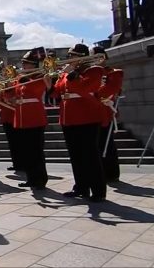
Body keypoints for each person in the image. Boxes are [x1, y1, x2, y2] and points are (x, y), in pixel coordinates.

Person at [46, 44, 106, 202]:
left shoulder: (94, 70)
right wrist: (48, 83)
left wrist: (72, 74)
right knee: (76, 156)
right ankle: (81, 187)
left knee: (90, 155)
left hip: (87, 117)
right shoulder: (67, 74)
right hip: (69, 117)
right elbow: (56, 92)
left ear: (81, 57)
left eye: (73, 56)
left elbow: (83, 90)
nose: (70, 59)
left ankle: (98, 190)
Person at [13, 50, 48, 189]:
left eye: (25, 64)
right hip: (22, 116)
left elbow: (36, 90)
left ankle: (40, 179)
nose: (23, 66)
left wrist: (25, 80)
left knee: (36, 151)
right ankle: (31, 178)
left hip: (34, 116)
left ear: (33, 65)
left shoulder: (41, 76)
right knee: (26, 150)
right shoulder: (22, 78)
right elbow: (16, 93)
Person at [92, 46, 124, 182]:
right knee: (97, 144)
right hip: (92, 110)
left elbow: (112, 89)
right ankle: (101, 171)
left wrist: (94, 95)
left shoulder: (112, 73)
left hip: (105, 110)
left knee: (106, 143)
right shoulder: (91, 73)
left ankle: (111, 173)